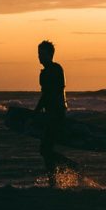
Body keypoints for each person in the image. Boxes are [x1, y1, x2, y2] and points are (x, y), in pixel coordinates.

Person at [34, 40, 75, 185]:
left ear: (50, 54)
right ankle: (53, 180)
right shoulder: (45, 72)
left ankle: (70, 166)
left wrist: (37, 112)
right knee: (46, 150)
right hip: (51, 114)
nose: (39, 57)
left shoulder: (55, 69)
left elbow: (51, 93)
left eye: (42, 54)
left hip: (56, 114)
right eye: (38, 54)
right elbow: (45, 95)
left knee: (45, 149)